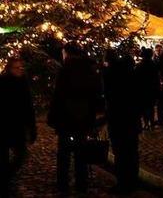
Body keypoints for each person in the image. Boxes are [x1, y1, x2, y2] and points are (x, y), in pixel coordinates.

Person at [47, 42, 102, 193]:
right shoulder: (90, 69)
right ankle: (81, 184)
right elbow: (96, 94)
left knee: (64, 153)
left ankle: (63, 184)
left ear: (68, 54)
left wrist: (53, 118)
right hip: (84, 118)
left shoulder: (65, 70)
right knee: (81, 153)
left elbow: (58, 96)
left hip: (66, 118)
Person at [104, 50, 141, 194]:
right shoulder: (131, 76)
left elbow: (109, 97)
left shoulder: (111, 76)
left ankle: (123, 183)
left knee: (120, 152)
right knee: (131, 151)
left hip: (118, 119)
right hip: (131, 118)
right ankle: (132, 181)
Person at [0, 57, 36, 197]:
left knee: (21, 154)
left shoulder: (23, 83)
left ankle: (5, 178)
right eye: (17, 67)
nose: (20, 70)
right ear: (10, 68)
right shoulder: (3, 82)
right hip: (4, 125)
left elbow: (28, 106)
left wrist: (32, 127)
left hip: (17, 126)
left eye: (22, 67)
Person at [134, 48, 160, 130]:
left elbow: (136, 78)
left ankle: (146, 124)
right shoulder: (153, 65)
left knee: (144, 107)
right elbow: (156, 78)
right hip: (151, 88)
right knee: (150, 107)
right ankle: (151, 123)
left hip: (142, 89)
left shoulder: (139, 66)